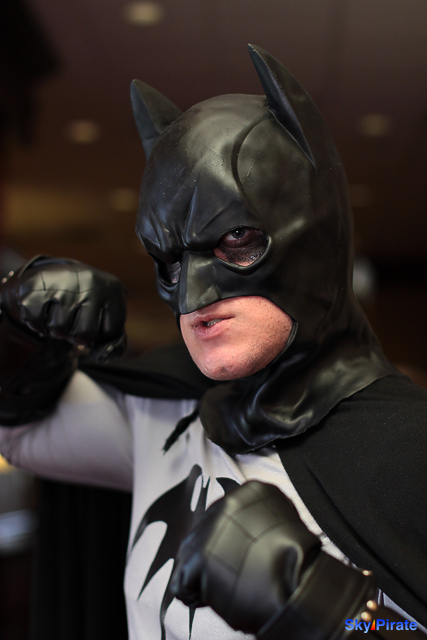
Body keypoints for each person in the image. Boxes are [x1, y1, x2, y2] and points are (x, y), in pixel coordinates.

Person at [1, 44, 427, 640]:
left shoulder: (411, 447)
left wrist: (338, 612)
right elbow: (18, 428)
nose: (193, 294)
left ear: (315, 235)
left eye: (236, 240)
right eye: (169, 261)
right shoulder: (166, 412)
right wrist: (21, 328)